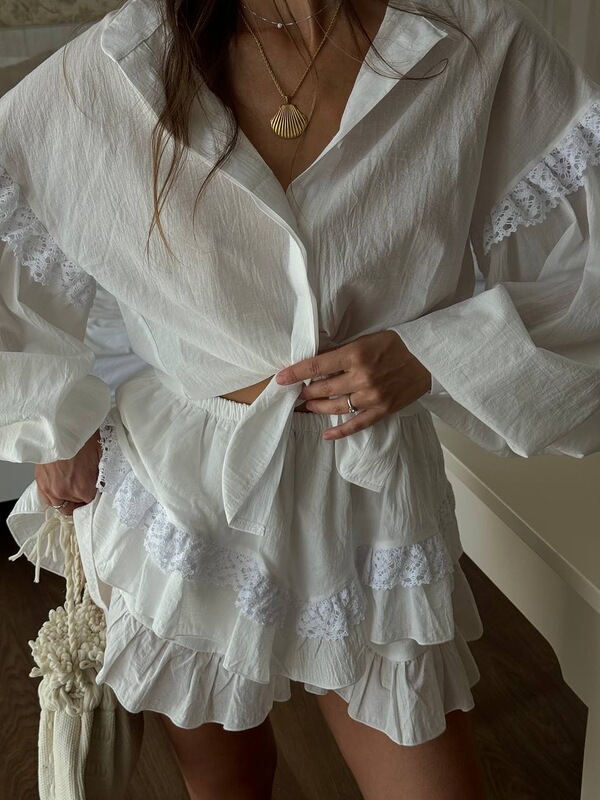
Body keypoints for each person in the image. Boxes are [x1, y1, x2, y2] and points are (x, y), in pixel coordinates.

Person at [1, 0, 599, 798]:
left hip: (371, 495)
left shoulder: (475, 42)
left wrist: (435, 353)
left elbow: (588, 266)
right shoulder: (133, 55)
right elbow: (15, 184)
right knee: (229, 784)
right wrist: (48, 420)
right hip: (187, 491)